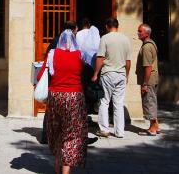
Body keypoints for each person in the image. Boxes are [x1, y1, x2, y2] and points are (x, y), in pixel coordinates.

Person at [46, 29, 88, 174]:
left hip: (55, 96)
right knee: (71, 134)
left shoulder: (52, 54)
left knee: (57, 131)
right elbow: (83, 71)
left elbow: (46, 73)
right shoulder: (79, 55)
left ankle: (58, 169)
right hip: (74, 97)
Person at [91, 18, 131, 138]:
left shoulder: (105, 38)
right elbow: (128, 61)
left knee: (104, 101)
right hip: (121, 73)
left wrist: (95, 74)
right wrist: (127, 74)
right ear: (117, 26)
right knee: (118, 103)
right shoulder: (125, 39)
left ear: (107, 26)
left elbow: (100, 58)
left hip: (108, 73)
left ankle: (104, 129)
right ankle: (119, 131)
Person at [136, 23, 160, 136]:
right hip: (152, 79)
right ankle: (155, 125)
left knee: (149, 102)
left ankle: (152, 128)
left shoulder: (146, 47)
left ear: (147, 33)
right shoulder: (151, 44)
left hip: (149, 80)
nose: (138, 33)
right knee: (152, 101)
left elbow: (148, 66)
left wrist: (145, 83)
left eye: (140, 31)